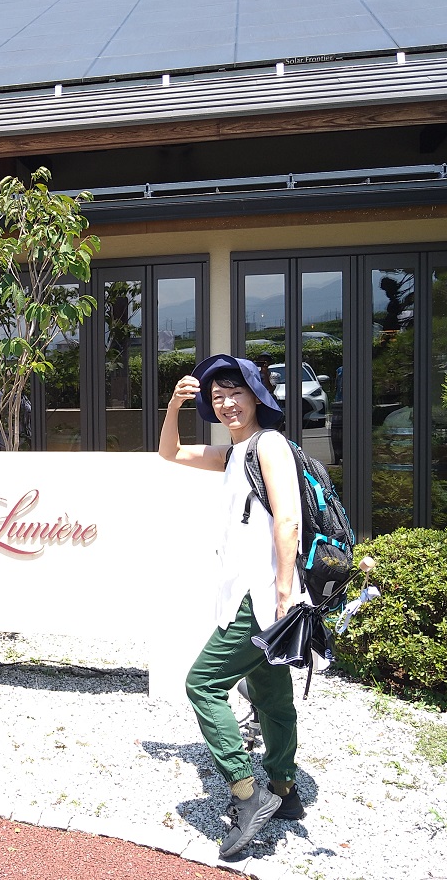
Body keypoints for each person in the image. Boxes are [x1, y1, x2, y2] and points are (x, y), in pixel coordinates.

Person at [158, 353, 305, 858]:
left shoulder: (270, 445)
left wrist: (283, 594)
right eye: (216, 396)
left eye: (235, 393)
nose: (226, 404)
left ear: (257, 396)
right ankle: (285, 790)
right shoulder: (234, 453)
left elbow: (288, 520)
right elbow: (170, 453)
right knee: (270, 691)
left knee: (202, 684)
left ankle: (248, 794)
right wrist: (174, 406)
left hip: (261, 596)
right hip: (255, 594)